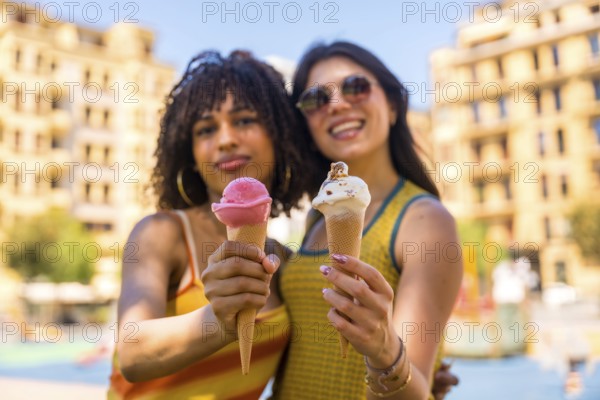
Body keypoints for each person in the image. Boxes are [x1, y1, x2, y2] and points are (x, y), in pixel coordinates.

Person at [106, 49, 310, 399]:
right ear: (190, 154)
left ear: (281, 137)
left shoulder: (285, 262)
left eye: (244, 120)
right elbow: (133, 352)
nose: (226, 139)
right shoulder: (161, 233)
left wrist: (416, 373)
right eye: (205, 129)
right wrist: (219, 321)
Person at [271, 41, 464, 399]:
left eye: (356, 87)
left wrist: (385, 352)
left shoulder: (424, 220)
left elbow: (416, 391)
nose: (338, 104)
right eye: (315, 99)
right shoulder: (319, 216)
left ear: (391, 105)